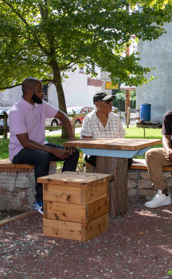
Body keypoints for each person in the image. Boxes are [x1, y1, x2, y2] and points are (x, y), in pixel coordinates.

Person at [8, 77, 79, 214]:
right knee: (42, 156)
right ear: (29, 92)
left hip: (40, 146)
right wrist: (53, 150)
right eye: (40, 91)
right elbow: (25, 142)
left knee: (73, 152)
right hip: (20, 151)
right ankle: (39, 201)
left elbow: (63, 116)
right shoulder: (17, 111)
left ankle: (62, 191)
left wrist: (71, 139)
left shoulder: (40, 105)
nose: (43, 94)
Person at [81, 91, 131, 168]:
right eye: (107, 102)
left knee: (127, 160)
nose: (111, 104)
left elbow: (121, 139)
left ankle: (116, 179)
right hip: (95, 153)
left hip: (115, 151)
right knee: (107, 161)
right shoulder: (89, 119)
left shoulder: (115, 118)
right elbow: (87, 143)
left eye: (111, 101)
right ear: (96, 103)